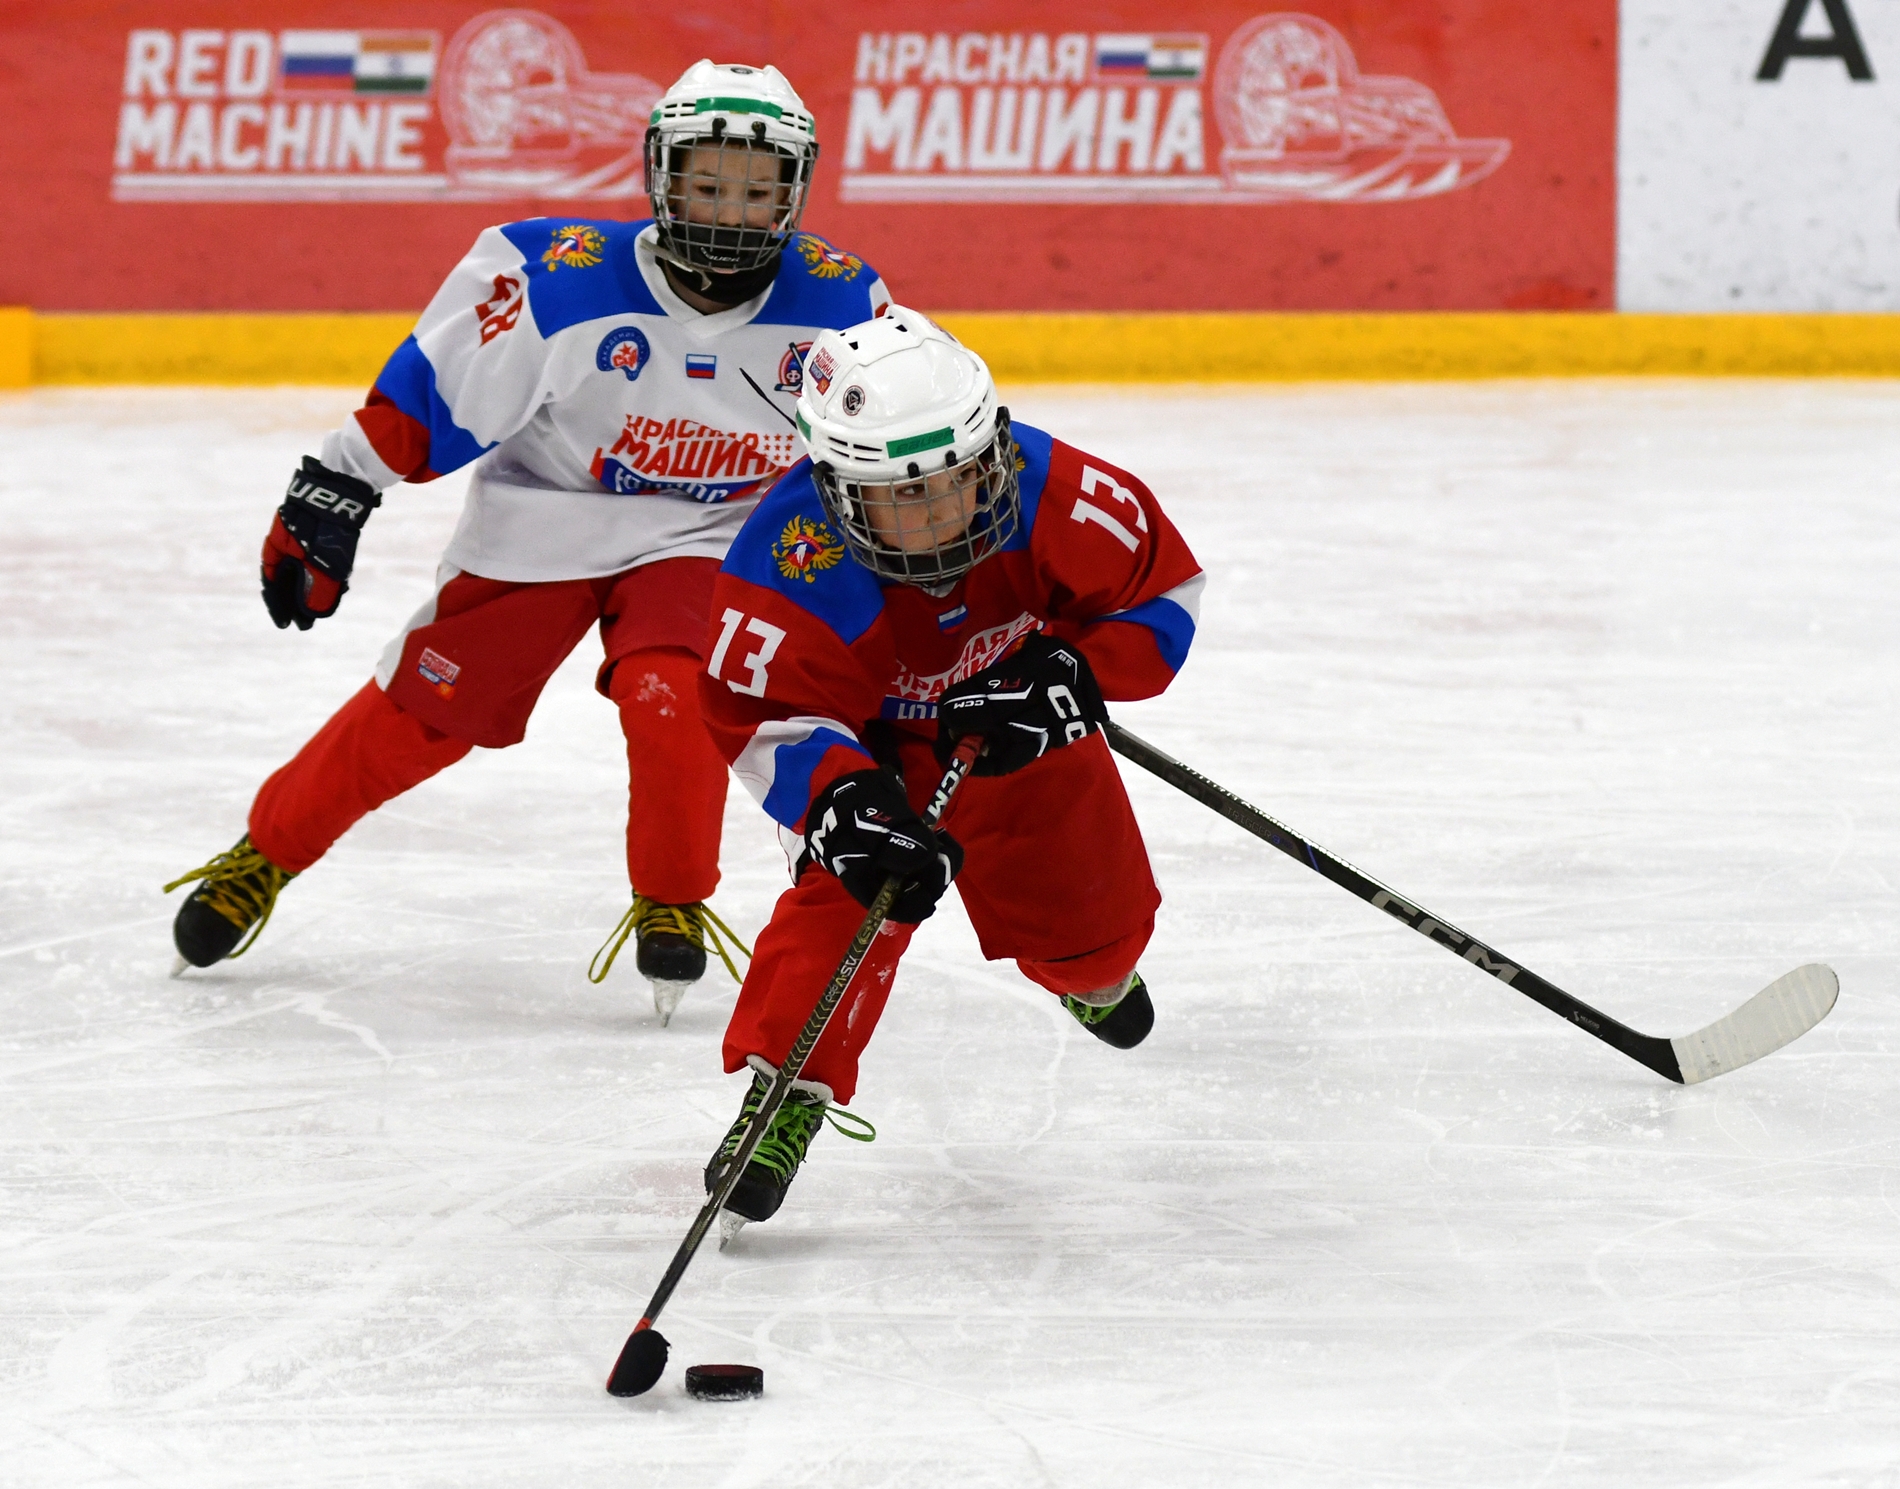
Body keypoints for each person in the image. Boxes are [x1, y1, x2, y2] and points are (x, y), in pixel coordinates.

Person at [164, 62, 893, 1023]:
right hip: (546, 519)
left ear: (794, 192)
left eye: (758, 192)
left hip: (710, 534)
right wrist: (336, 487)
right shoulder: (561, 280)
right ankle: (267, 849)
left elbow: (895, 452)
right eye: (707, 183)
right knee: (424, 714)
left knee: (673, 685)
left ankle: (673, 893)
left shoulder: (844, 307)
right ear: (661, 178)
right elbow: (434, 393)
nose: (729, 210)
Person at [693, 308, 1204, 1222]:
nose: (934, 516)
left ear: (994, 451)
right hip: (874, 746)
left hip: (1014, 719)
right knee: (850, 898)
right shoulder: (784, 563)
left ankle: (1086, 976)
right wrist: (840, 799)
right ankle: (783, 1092)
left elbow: (1161, 592)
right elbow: (758, 714)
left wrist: (1075, 672)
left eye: (955, 483)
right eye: (900, 495)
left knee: (1098, 943)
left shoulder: (1060, 491)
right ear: (838, 486)